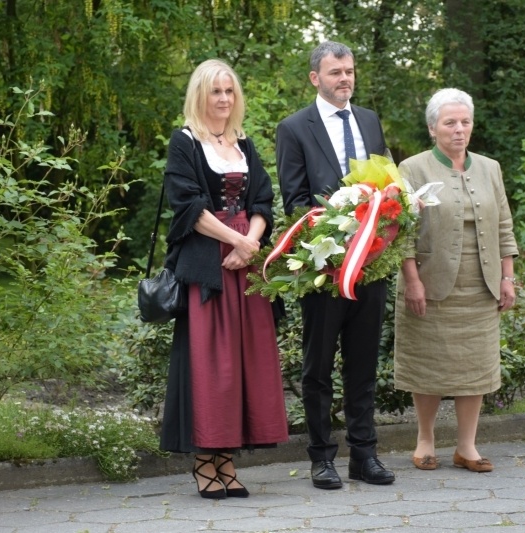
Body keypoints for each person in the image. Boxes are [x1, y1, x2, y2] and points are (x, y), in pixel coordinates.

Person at [160, 59, 289, 499]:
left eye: (230, 91)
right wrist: (236, 242)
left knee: (243, 361)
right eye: (216, 91)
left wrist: (249, 243)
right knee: (211, 363)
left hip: (244, 265)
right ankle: (204, 462)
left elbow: (262, 202)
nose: (223, 99)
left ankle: (228, 461)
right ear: (200, 95)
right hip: (207, 265)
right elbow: (189, 207)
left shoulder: (244, 142)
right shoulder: (185, 142)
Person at [275, 41, 395, 489]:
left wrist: (383, 233)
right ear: (315, 78)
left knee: (363, 366)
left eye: (349, 71)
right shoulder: (294, 128)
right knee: (318, 367)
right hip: (324, 269)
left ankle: (365, 456)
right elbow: (295, 201)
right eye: (334, 72)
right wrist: (335, 238)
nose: (344, 79)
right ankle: (321, 458)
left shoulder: (368, 120)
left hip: (373, 265)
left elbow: (387, 187)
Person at [394, 88, 518, 473]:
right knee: (427, 364)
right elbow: (401, 233)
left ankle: (467, 446)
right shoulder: (411, 169)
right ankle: (425, 439)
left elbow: (504, 225)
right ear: (433, 128)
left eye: (465, 122)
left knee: (475, 367)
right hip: (430, 284)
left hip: (481, 283)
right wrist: (412, 281)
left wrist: (508, 276)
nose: (459, 130)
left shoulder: (490, 167)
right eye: (450, 122)